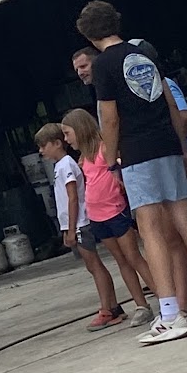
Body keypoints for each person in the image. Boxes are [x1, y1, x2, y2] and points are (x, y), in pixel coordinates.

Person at [77, 1, 187, 345]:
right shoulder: (145, 53)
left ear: (89, 36)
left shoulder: (104, 65)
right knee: (186, 219)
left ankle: (169, 314)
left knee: (150, 230)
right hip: (167, 143)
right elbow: (170, 104)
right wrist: (182, 149)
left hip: (137, 151)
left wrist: (111, 160)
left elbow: (110, 119)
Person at [59, 107, 157, 327]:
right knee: (121, 260)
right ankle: (141, 305)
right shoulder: (83, 158)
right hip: (97, 217)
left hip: (115, 211)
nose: (66, 139)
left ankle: (164, 297)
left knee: (133, 257)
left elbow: (120, 167)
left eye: (67, 133)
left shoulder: (105, 149)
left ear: (80, 129)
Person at [130, 39, 187, 268]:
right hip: (173, 165)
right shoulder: (148, 88)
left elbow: (184, 115)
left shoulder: (166, 85)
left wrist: (176, 147)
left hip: (184, 165)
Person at [36, 122, 122, 328]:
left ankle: (107, 309)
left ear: (57, 143)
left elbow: (72, 197)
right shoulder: (60, 166)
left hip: (80, 223)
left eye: (43, 145)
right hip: (75, 224)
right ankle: (112, 306)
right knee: (92, 266)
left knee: (95, 265)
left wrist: (72, 228)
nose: (40, 151)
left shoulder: (66, 164)